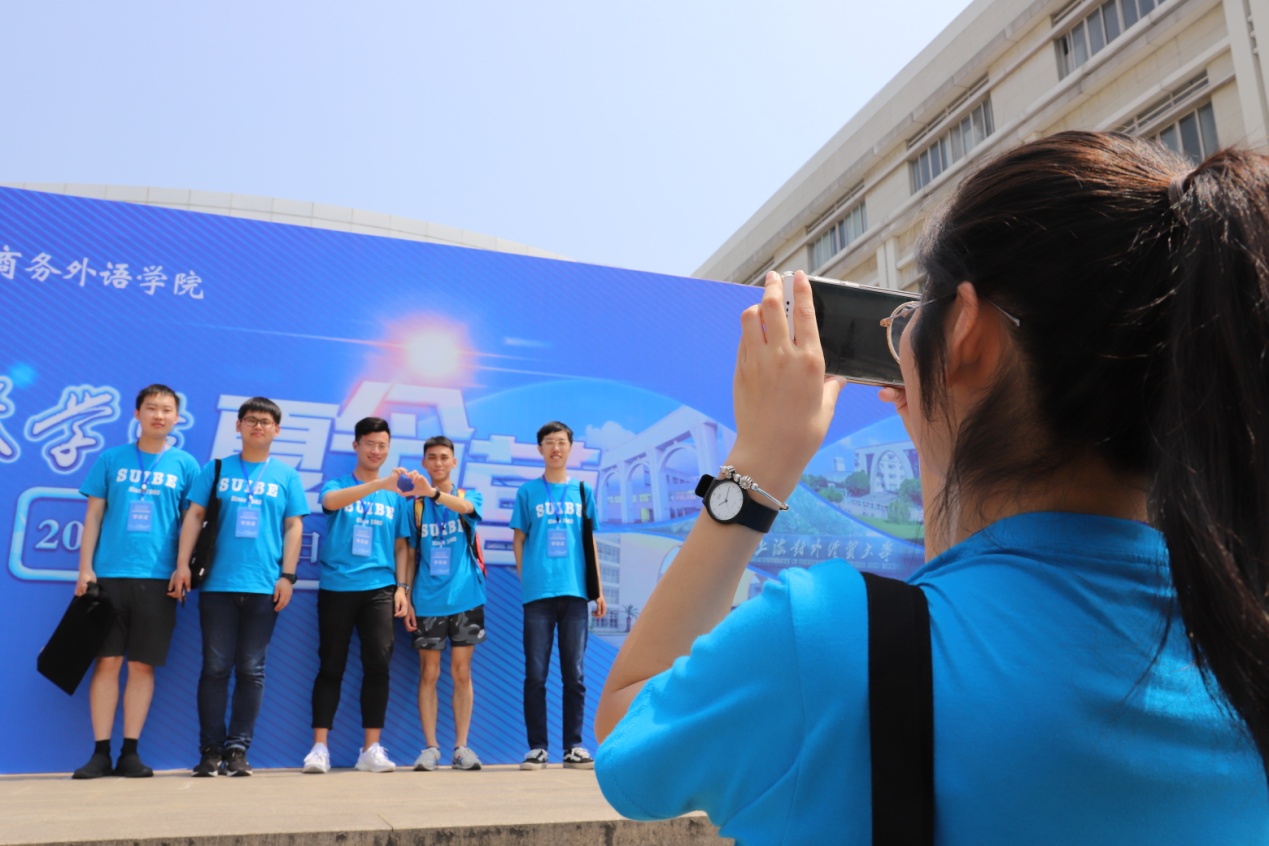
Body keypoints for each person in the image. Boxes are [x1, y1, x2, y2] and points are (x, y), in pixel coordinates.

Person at [594, 133, 1269, 844]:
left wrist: (757, 467)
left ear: (968, 332)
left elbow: (627, 731)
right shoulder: (1239, 646)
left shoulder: (822, 644)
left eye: (915, 313)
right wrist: (954, 431)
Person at [173, 397, 309, 777]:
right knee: (215, 668)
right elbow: (194, 515)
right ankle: (210, 751)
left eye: (265, 422)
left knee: (251, 670)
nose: (258, 426)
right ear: (238, 426)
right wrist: (182, 565)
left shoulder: (286, 476)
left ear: (277, 430)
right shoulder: (216, 469)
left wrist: (288, 576)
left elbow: (294, 526)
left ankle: (237, 749)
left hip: (265, 586)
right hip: (217, 584)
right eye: (251, 420)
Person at [70, 384, 201, 779]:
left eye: (166, 409)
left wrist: (183, 565)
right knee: (106, 662)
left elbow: (192, 522)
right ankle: (100, 753)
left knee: (142, 666)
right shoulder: (111, 459)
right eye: (151, 408)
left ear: (177, 417)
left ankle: (130, 752)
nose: (159, 415)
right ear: (137, 413)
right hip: (109, 576)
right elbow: (93, 515)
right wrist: (85, 568)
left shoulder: (185, 465)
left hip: (159, 579)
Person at [300, 417, 413, 775]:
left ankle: (370, 749)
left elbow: (401, 547)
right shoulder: (338, 484)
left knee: (378, 665)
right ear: (356, 445)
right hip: (337, 585)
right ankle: (319, 748)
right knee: (331, 665)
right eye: (370, 444)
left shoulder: (397, 497)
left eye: (382, 446)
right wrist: (380, 483)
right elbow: (330, 502)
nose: (376, 451)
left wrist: (402, 588)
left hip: (379, 587)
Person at [511, 421, 606, 770]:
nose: (555, 448)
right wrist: (527, 577)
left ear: (570, 447)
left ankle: (573, 746)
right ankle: (537, 747)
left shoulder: (582, 490)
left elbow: (589, 541)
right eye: (549, 442)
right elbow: (519, 539)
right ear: (540, 449)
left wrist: (597, 590)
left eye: (561, 442)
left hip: (576, 593)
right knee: (535, 675)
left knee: (575, 675)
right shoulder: (528, 493)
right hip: (538, 595)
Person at [403, 436, 486, 772]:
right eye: (432, 457)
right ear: (424, 463)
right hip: (427, 600)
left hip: (466, 597)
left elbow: (466, 510)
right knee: (429, 673)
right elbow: (410, 553)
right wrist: (407, 596)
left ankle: (461, 748)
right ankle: (431, 748)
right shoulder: (414, 506)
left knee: (462, 672)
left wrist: (434, 493)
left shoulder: (468, 496)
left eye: (444, 457)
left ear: (454, 462)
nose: (438, 463)